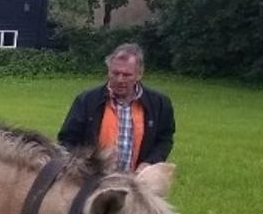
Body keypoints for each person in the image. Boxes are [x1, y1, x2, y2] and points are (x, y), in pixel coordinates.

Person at [57, 43, 175, 171]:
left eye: (126, 75)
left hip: (136, 180)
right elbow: (67, 140)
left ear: (139, 74)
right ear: (108, 71)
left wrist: (149, 162)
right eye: (115, 73)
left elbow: (164, 139)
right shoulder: (87, 100)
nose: (120, 79)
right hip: (93, 180)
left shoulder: (159, 103)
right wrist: (86, 163)